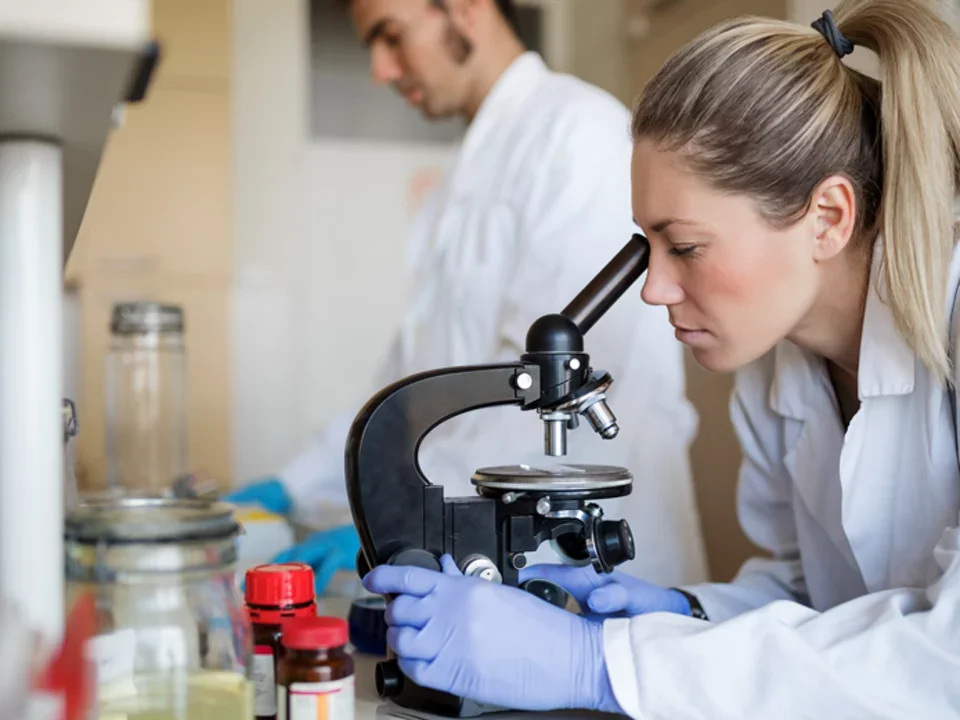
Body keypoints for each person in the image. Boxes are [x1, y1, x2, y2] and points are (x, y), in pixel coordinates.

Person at [362, 0, 960, 716]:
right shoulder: (783, 365)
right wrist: (677, 614)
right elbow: (817, 598)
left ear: (827, 218)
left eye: (685, 247)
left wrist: (600, 664)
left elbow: (942, 659)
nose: (653, 289)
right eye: (648, 246)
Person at [225, 0, 708, 594]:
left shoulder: (577, 135)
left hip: (591, 560)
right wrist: (293, 486)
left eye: (391, 36)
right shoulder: (459, 176)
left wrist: (411, 521)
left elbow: (549, 393)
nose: (380, 69)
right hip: (486, 557)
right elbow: (405, 388)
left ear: (464, 9)